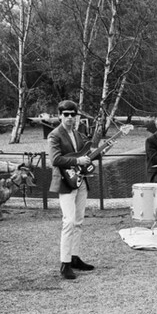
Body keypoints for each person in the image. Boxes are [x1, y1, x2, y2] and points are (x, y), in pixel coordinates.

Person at [48, 100, 96, 280]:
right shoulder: (54, 135)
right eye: (66, 114)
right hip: (65, 182)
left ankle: (74, 257)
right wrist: (77, 161)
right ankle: (64, 264)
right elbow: (55, 159)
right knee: (68, 222)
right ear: (60, 115)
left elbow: (87, 155)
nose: (69, 118)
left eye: (72, 114)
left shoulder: (77, 134)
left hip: (81, 181)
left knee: (79, 221)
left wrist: (99, 152)